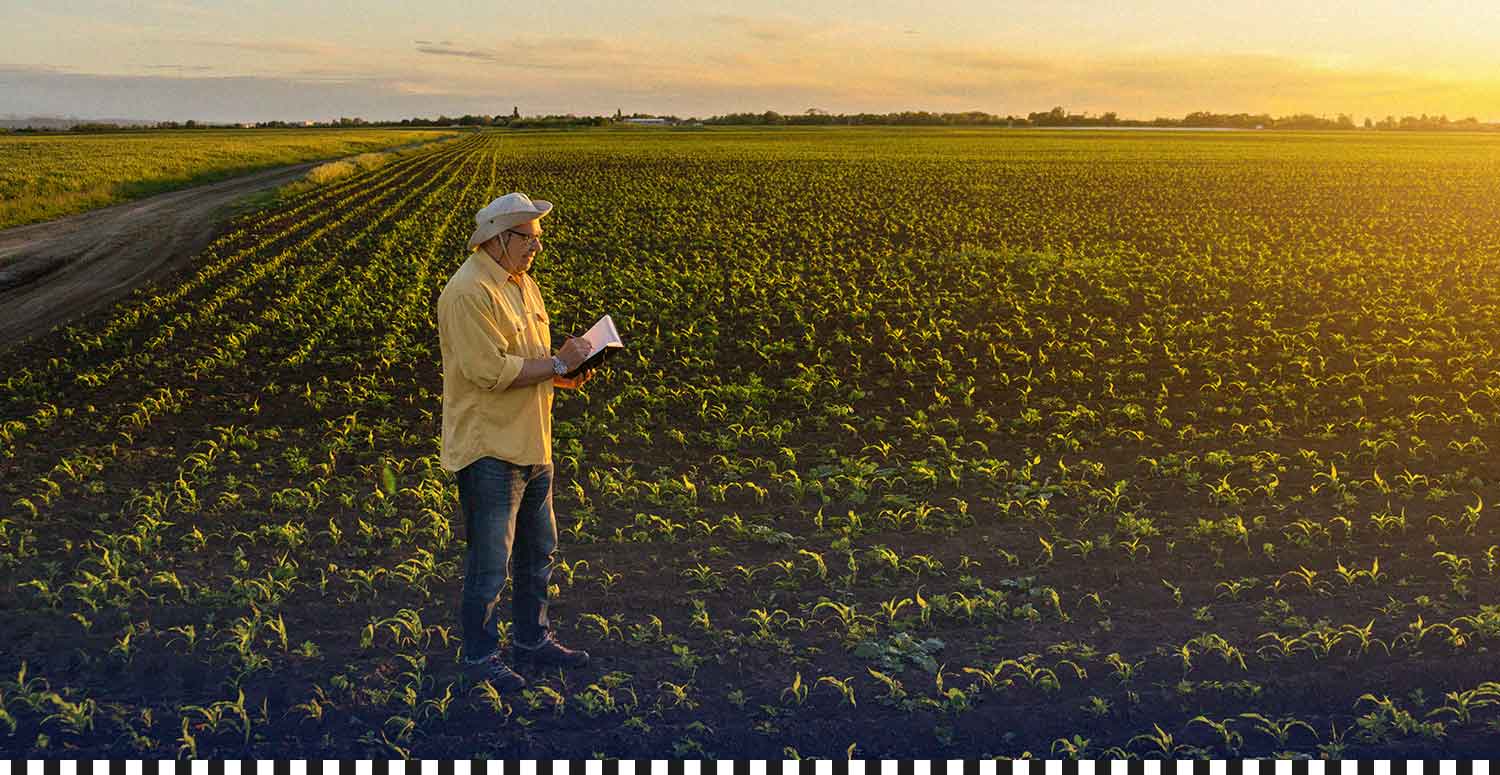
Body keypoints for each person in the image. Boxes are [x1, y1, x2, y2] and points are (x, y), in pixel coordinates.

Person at [437, 192, 596, 692]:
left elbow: (529, 357)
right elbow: (490, 372)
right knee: (490, 565)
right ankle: (480, 658)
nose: (536, 249)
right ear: (498, 238)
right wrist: (557, 365)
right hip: (490, 449)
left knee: (537, 553)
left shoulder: (522, 284)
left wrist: (563, 374)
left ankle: (532, 640)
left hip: (533, 440)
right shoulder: (468, 292)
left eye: (538, 240)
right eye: (528, 239)